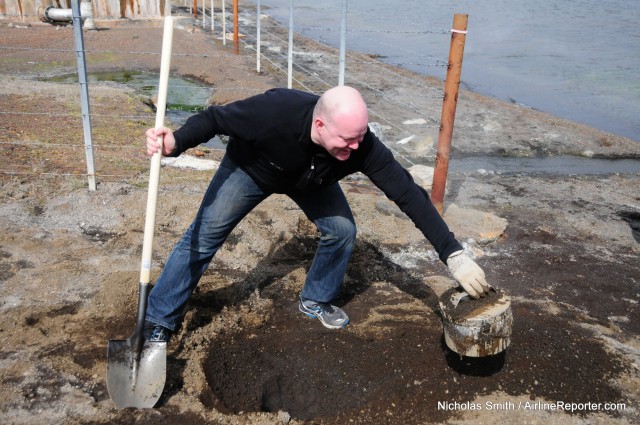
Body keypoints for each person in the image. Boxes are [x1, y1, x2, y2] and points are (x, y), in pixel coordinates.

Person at [143, 86, 490, 341]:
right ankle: (158, 319)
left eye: (360, 139)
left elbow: (407, 193)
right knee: (204, 236)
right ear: (320, 124)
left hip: (312, 179)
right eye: (348, 140)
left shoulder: (359, 143)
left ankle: (315, 300)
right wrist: (176, 143)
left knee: (342, 231)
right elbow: (214, 118)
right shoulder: (274, 112)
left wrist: (453, 253)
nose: (356, 148)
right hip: (253, 169)